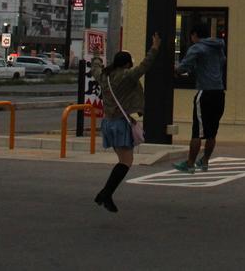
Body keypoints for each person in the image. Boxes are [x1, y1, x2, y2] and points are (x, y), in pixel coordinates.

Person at [93, 33, 161, 213]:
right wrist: (155, 47)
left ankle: (106, 194)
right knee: (126, 161)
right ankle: (106, 194)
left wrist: (96, 54)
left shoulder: (104, 76)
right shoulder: (126, 76)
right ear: (126, 63)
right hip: (118, 124)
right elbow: (145, 66)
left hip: (108, 123)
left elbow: (96, 68)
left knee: (123, 160)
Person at [172, 22, 227, 173]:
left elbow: (184, 66)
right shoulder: (218, 47)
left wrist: (175, 70)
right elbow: (222, 62)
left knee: (197, 131)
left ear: (195, 35)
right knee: (212, 132)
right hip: (219, 92)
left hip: (205, 92)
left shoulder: (197, 47)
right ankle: (205, 161)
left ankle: (189, 163)